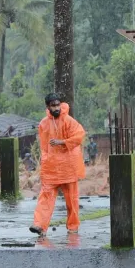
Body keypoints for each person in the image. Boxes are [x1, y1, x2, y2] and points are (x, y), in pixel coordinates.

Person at [30, 93, 86, 236]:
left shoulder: (69, 120)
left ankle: (73, 226)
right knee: (45, 197)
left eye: (57, 105)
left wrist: (63, 142)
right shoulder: (43, 124)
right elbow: (44, 147)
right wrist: (45, 162)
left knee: (71, 200)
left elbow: (79, 136)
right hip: (51, 168)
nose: (56, 108)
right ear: (47, 107)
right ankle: (39, 225)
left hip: (68, 166)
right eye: (53, 105)